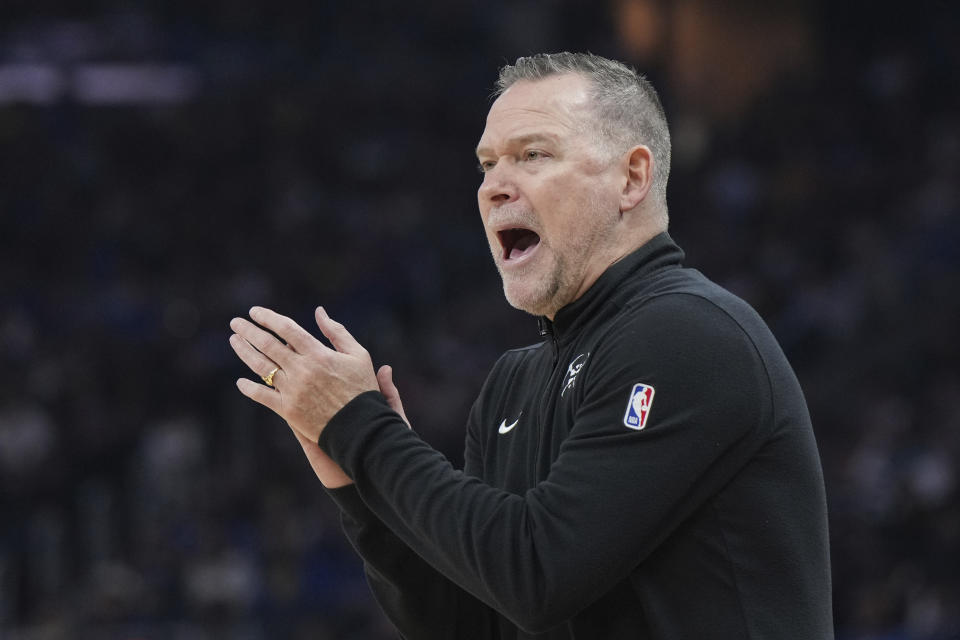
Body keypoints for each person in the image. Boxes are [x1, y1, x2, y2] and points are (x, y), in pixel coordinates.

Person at [228, 52, 834, 639]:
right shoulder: (512, 384)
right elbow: (470, 623)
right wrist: (358, 486)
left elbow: (539, 573)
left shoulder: (690, 335)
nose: (494, 187)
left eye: (533, 155)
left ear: (632, 177)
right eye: (487, 164)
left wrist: (364, 431)